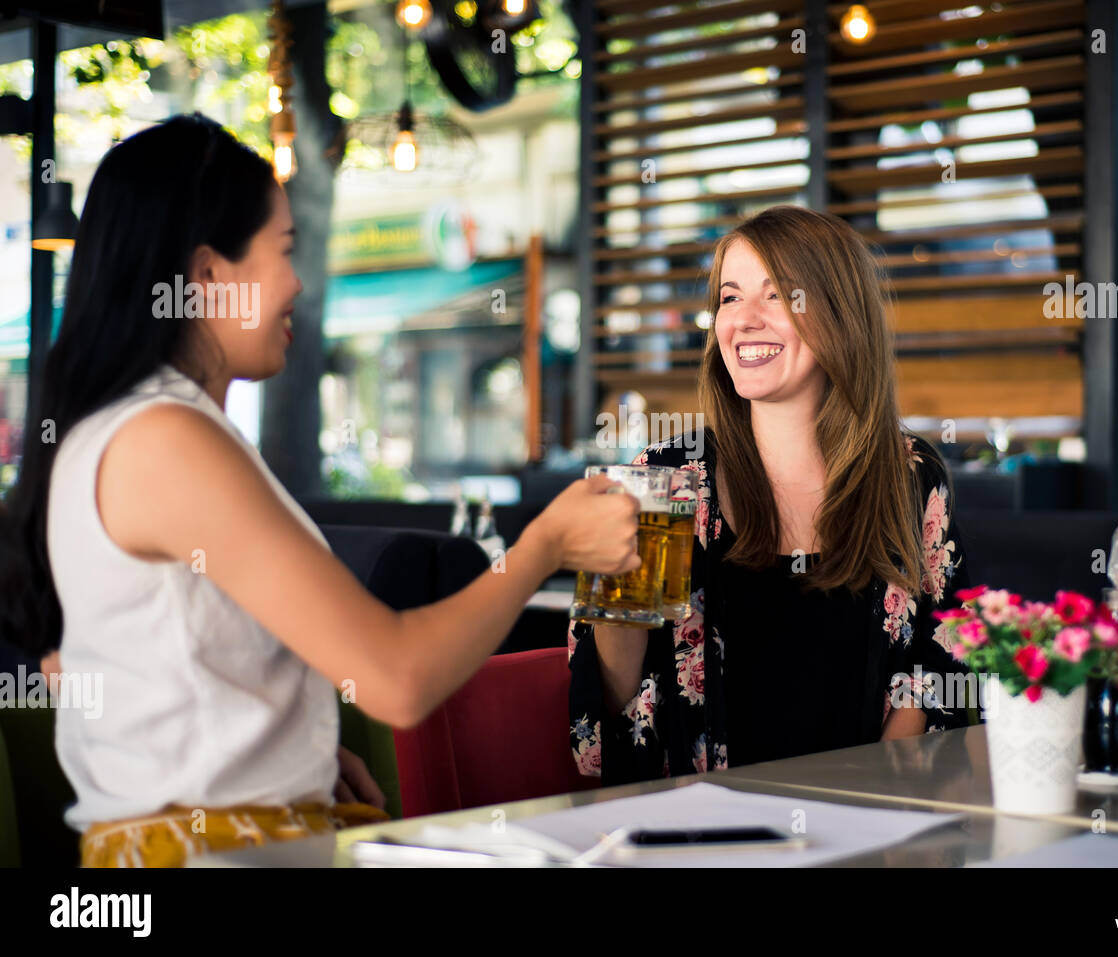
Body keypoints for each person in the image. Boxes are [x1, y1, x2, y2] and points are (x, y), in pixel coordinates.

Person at [0, 114, 641, 866]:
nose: (298, 284)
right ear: (207, 277)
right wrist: (545, 546)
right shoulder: (164, 439)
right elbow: (397, 679)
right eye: (285, 251)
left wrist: (295, 758)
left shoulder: (146, 430)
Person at [568, 206, 973, 784]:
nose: (744, 320)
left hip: (866, 830)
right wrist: (620, 600)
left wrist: (873, 811)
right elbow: (605, 724)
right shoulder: (662, 475)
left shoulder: (909, 476)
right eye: (730, 299)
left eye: (777, 295)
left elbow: (940, 665)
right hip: (701, 835)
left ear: (838, 312)